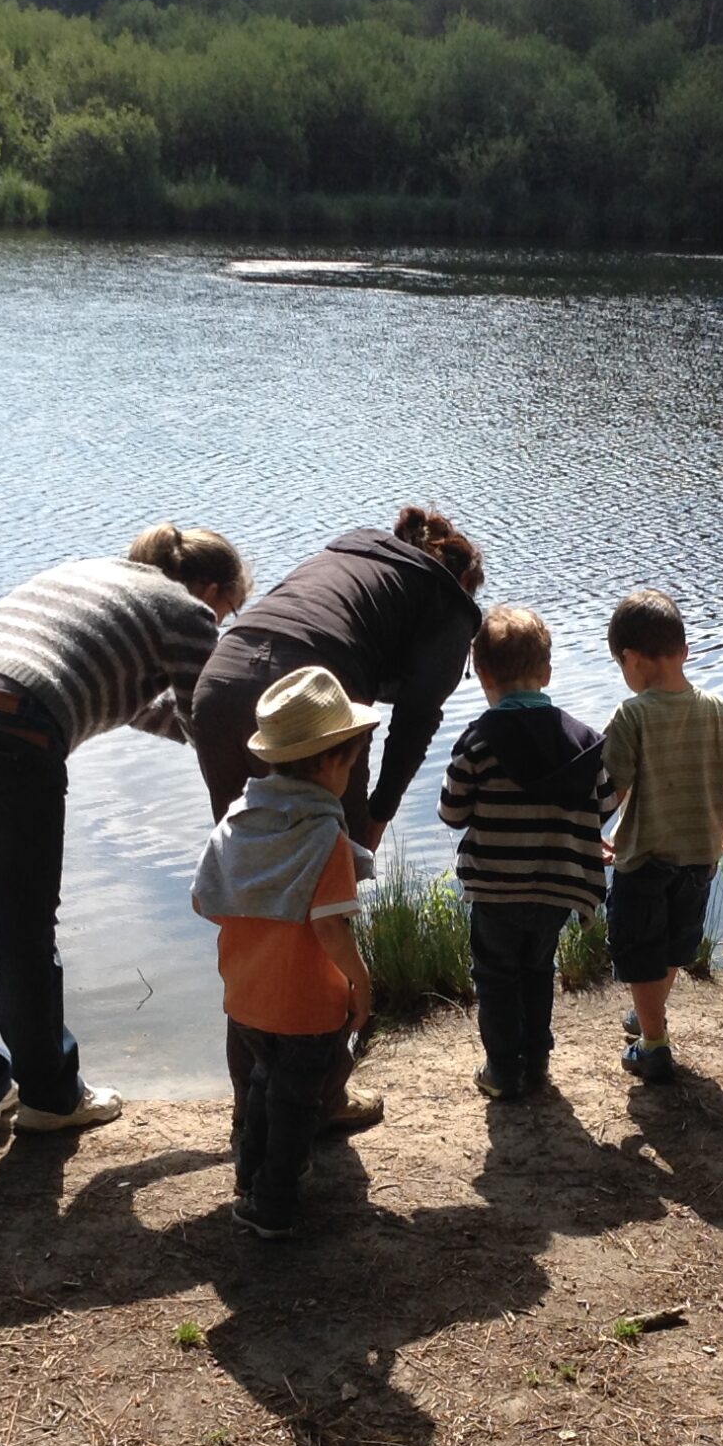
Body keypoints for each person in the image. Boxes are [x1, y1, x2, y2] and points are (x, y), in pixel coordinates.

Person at [0, 524, 249, 1135]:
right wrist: (260, 799)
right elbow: (207, 722)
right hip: (5, 732)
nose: (222, 624)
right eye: (229, 610)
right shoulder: (186, 613)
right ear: (210, 588)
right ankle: (51, 1099)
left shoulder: (90, 575)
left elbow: (130, 702)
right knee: (22, 929)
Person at [190, 506, 485, 1126]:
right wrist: (374, 819)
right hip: (312, 698)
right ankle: (321, 1099)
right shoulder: (450, 606)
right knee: (330, 905)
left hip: (221, 682)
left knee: (255, 895)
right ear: (462, 580)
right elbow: (414, 723)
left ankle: (254, 1101)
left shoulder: (355, 549)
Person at [191, 667, 379, 1241]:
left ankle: (250, 1178)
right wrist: (362, 984)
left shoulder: (237, 823)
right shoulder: (324, 839)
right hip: (305, 1005)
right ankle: (273, 1205)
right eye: (349, 764)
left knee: (261, 1086)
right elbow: (331, 934)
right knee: (296, 1102)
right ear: (327, 763)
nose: (349, 777)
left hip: (245, 998)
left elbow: (208, 902)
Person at [437, 605, 619, 1100]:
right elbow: (605, 804)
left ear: (485, 677)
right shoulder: (583, 740)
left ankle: (502, 1069)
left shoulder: (476, 741)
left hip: (495, 887)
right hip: (559, 886)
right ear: (546, 673)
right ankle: (536, 1061)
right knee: (539, 970)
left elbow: (453, 813)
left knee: (496, 976)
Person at [603, 589, 723, 1086]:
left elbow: (615, 789)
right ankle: (651, 1017)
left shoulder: (631, 715)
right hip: (699, 857)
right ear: (683, 650)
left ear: (631, 659)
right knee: (671, 946)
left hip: (644, 859)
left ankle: (653, 1044)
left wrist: (590, 833)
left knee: (639, 950)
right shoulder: (718, 709)